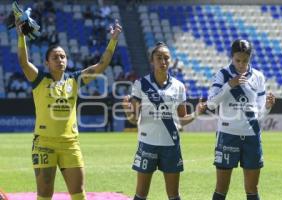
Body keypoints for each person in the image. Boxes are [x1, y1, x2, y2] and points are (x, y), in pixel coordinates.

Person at [15, 15, 122, 200]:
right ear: (47, 63)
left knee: (79, 194)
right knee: (44, 195)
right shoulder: (39, 79)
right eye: (55, 57)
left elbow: (101, 65)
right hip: (44, 144)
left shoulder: (75, 79)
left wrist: (113, 41)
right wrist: (21, 36)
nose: (60, 60)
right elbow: (24, 62)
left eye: (63, 57)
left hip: (70, 144)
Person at [122, 42, 207, 200]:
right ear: (152, 61)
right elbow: (134, 120)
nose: (163, 61)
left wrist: (196, 113)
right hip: (147, 143)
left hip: (171, 145)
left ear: (170, 61)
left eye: (166, 58)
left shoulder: (179, 86)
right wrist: (128, 111)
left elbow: (181, 120)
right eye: (159, 58)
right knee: (141, 194)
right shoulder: (141, 84)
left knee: (174, 195)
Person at [207, 39, 276, 200]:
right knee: (221, 188)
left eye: (245, 60)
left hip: (252, 136)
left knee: (252, 189)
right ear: (231, 57)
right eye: (237, 60)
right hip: (228, 135)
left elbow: (259, 114)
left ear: (250, 58)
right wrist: (230, 85)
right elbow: (211, 104)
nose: (241, 64)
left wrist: (267, 106)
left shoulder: (258, 76)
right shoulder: (223, 75)